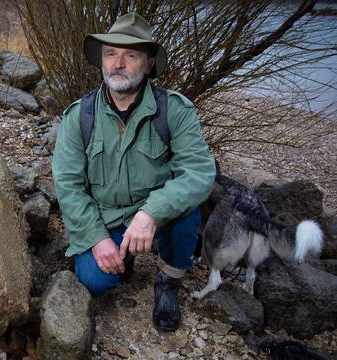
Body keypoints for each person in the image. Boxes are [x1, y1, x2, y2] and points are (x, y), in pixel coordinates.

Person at [52, 13, 215, 332]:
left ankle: (168, 282)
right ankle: (120, 257)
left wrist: (151, 214)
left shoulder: (175, 111)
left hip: (158, 214)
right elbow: (68, 185)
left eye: (130, 55)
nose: (118, 63)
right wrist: (97, 238)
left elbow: (198, 172)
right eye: (111, 54)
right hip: (107, 216)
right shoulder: (79, 116)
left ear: (149, 64)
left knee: (188, 213)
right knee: (93, 282)